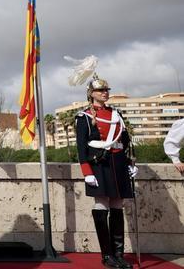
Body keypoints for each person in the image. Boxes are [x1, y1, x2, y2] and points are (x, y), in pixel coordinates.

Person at [75, 74, 136, 269]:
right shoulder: (83, 116)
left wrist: (129, 163)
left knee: (118, 204)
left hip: (117, 161)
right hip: (99, 163)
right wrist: (87, 172)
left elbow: (125, 140)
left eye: (107, 90)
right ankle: (107, 255)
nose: (105, 93)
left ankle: (118, 254)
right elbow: (81, 147)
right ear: (91, 94)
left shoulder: (116, 114)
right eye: (101, 90)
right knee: (102, 204)